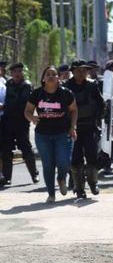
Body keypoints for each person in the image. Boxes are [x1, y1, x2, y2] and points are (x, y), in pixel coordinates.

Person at [24, 66, 77, 203]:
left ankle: (61, 178)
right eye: (48, 74)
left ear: (58, 77)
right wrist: (32, 118)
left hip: (62, 133)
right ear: (43, 78)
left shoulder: (66, 93)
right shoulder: (37, 93)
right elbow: (28, 111)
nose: (51, 76)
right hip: (43, 134)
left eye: (54, 74)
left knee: (64, 161)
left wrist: (72, 127)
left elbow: (74, 110)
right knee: (48, 164)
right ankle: (51, 194)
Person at [64, 60, 105, 200]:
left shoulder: (92, 85)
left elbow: (101, 104)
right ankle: (79, 188)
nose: (82, 73)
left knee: (92, 157)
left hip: (90, 127)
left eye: (84, 70)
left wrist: (100, 118)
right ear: (73, 71)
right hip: (73, 129)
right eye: (79, 70)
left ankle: (93, 183)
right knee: (75, 160)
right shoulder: (65, 87)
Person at [0, 62, 38, 187]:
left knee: (26, 148)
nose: (17, 74)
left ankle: (34, 173)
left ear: (23, 73)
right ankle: (7, 177)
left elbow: (26, 103)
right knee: (6, 150)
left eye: (19, 71)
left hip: (21, 122)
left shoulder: (27, 86)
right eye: (15, 72)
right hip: (8, 121)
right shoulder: (7, 84)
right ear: (11, 73)